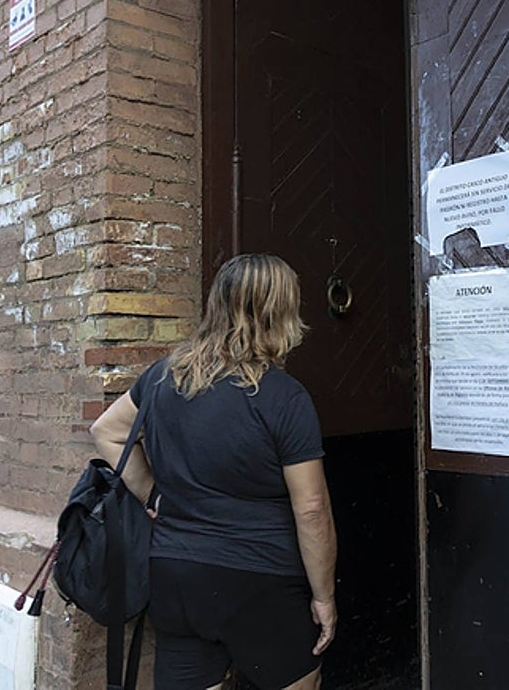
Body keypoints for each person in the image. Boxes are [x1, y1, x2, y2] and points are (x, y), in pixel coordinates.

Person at [90, 253, 338, 690]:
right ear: (279, 311)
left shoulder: (163, 377)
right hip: (260, 579)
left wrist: (154, 496)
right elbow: (312, 509)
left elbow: (106, 431)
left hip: (176, 576)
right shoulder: (285, 398)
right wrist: (324, 596)